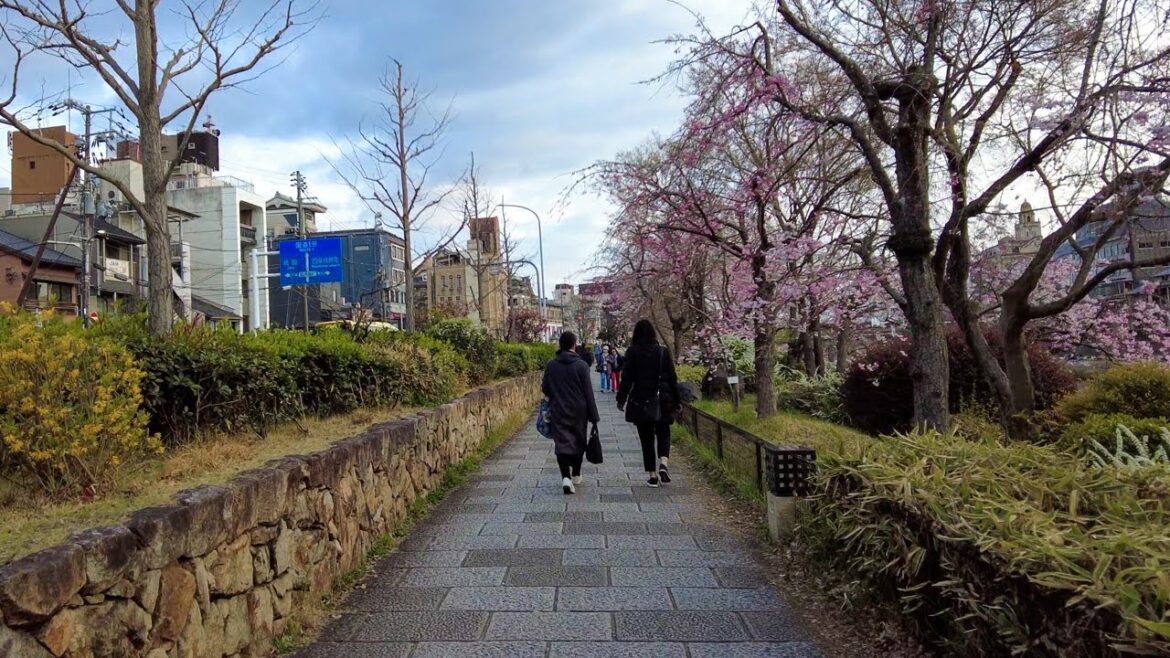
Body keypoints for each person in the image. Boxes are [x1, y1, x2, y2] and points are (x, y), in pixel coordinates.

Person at [616, 319, 680, 487]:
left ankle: (652, 475)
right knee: (664, 432)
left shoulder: (632, 352)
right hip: (663, 399)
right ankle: (664, 464)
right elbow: (673, 378)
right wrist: (677, 400)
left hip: (641, 401)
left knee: (646, 439)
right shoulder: (663, 352)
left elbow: (627, 379)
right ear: (653, 333)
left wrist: (621, 399)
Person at [542, 331, 600, 494]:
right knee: (578, 441)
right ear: (574, 345)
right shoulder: (581, 365)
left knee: (561, 442)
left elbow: (545, 388)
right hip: (579, 411)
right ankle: (576, 473)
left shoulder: (551, 365)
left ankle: (565, 477)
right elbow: (588, 392)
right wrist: (594, 415)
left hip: (558, 409)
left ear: (560, 345)